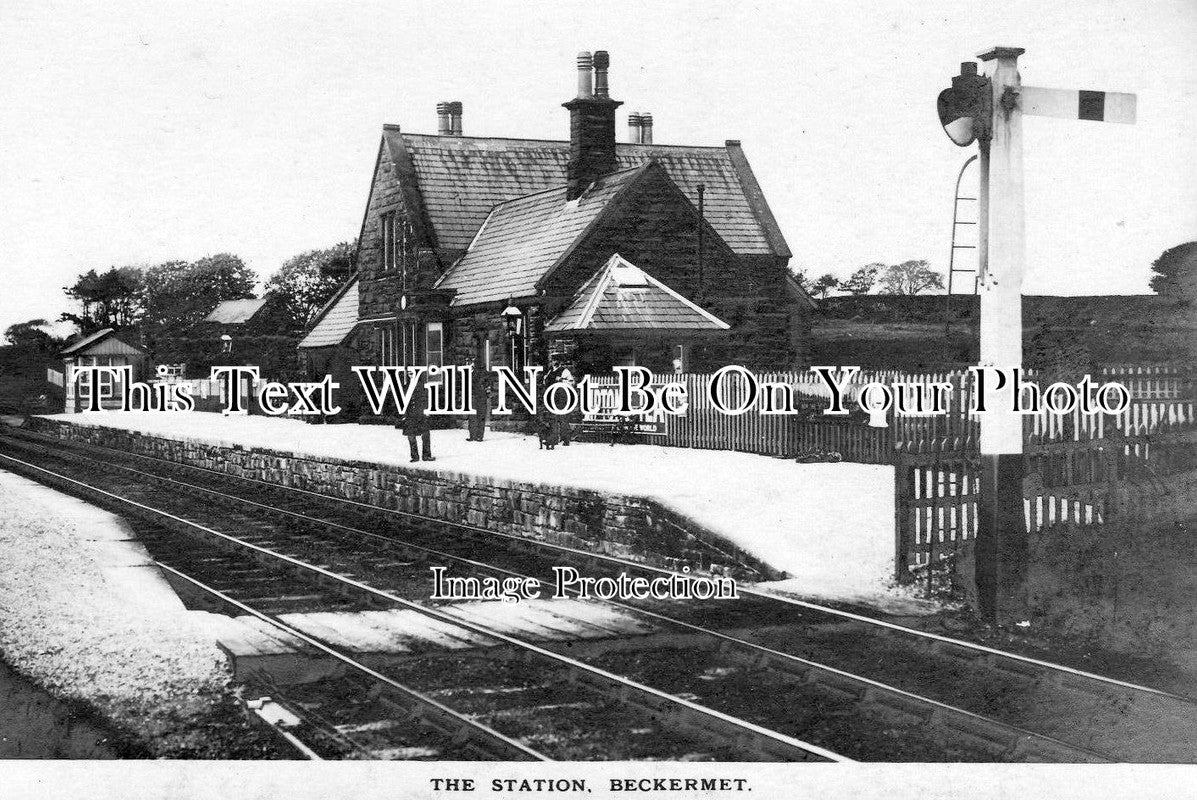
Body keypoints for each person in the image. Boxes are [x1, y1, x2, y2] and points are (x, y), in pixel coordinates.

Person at [398, 372, 434, 463]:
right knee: (411, 436)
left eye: (413, 373)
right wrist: (403, 415)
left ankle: (427, 455)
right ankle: (414, 456)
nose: (411, 376)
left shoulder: (422, 386)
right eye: (409, 374)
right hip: (410, 414)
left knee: (425, 434)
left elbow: (427, 399)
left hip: (421, 413)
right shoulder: (405, 387)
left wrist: (427, 410)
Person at [543, 356, 575, 447]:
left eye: (555, 360)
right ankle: (553, 440)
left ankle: (566, 440)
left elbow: (571, 382)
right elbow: (546, 381)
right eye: (552, 360)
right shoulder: (550, 371)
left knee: (563, 418)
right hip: (552, 397)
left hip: (561, 397)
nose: (553, 362)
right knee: (552, 419)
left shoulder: (564, 371)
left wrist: (561, 380)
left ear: (559, 361)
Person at [467, 363, 492, 442]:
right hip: (480, 396)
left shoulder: (473, 373)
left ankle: (473, 436)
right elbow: (488, 386)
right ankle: (479, 436)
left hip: (475, 396)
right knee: (479, 416)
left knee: (473, 417)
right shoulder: (484, 373)